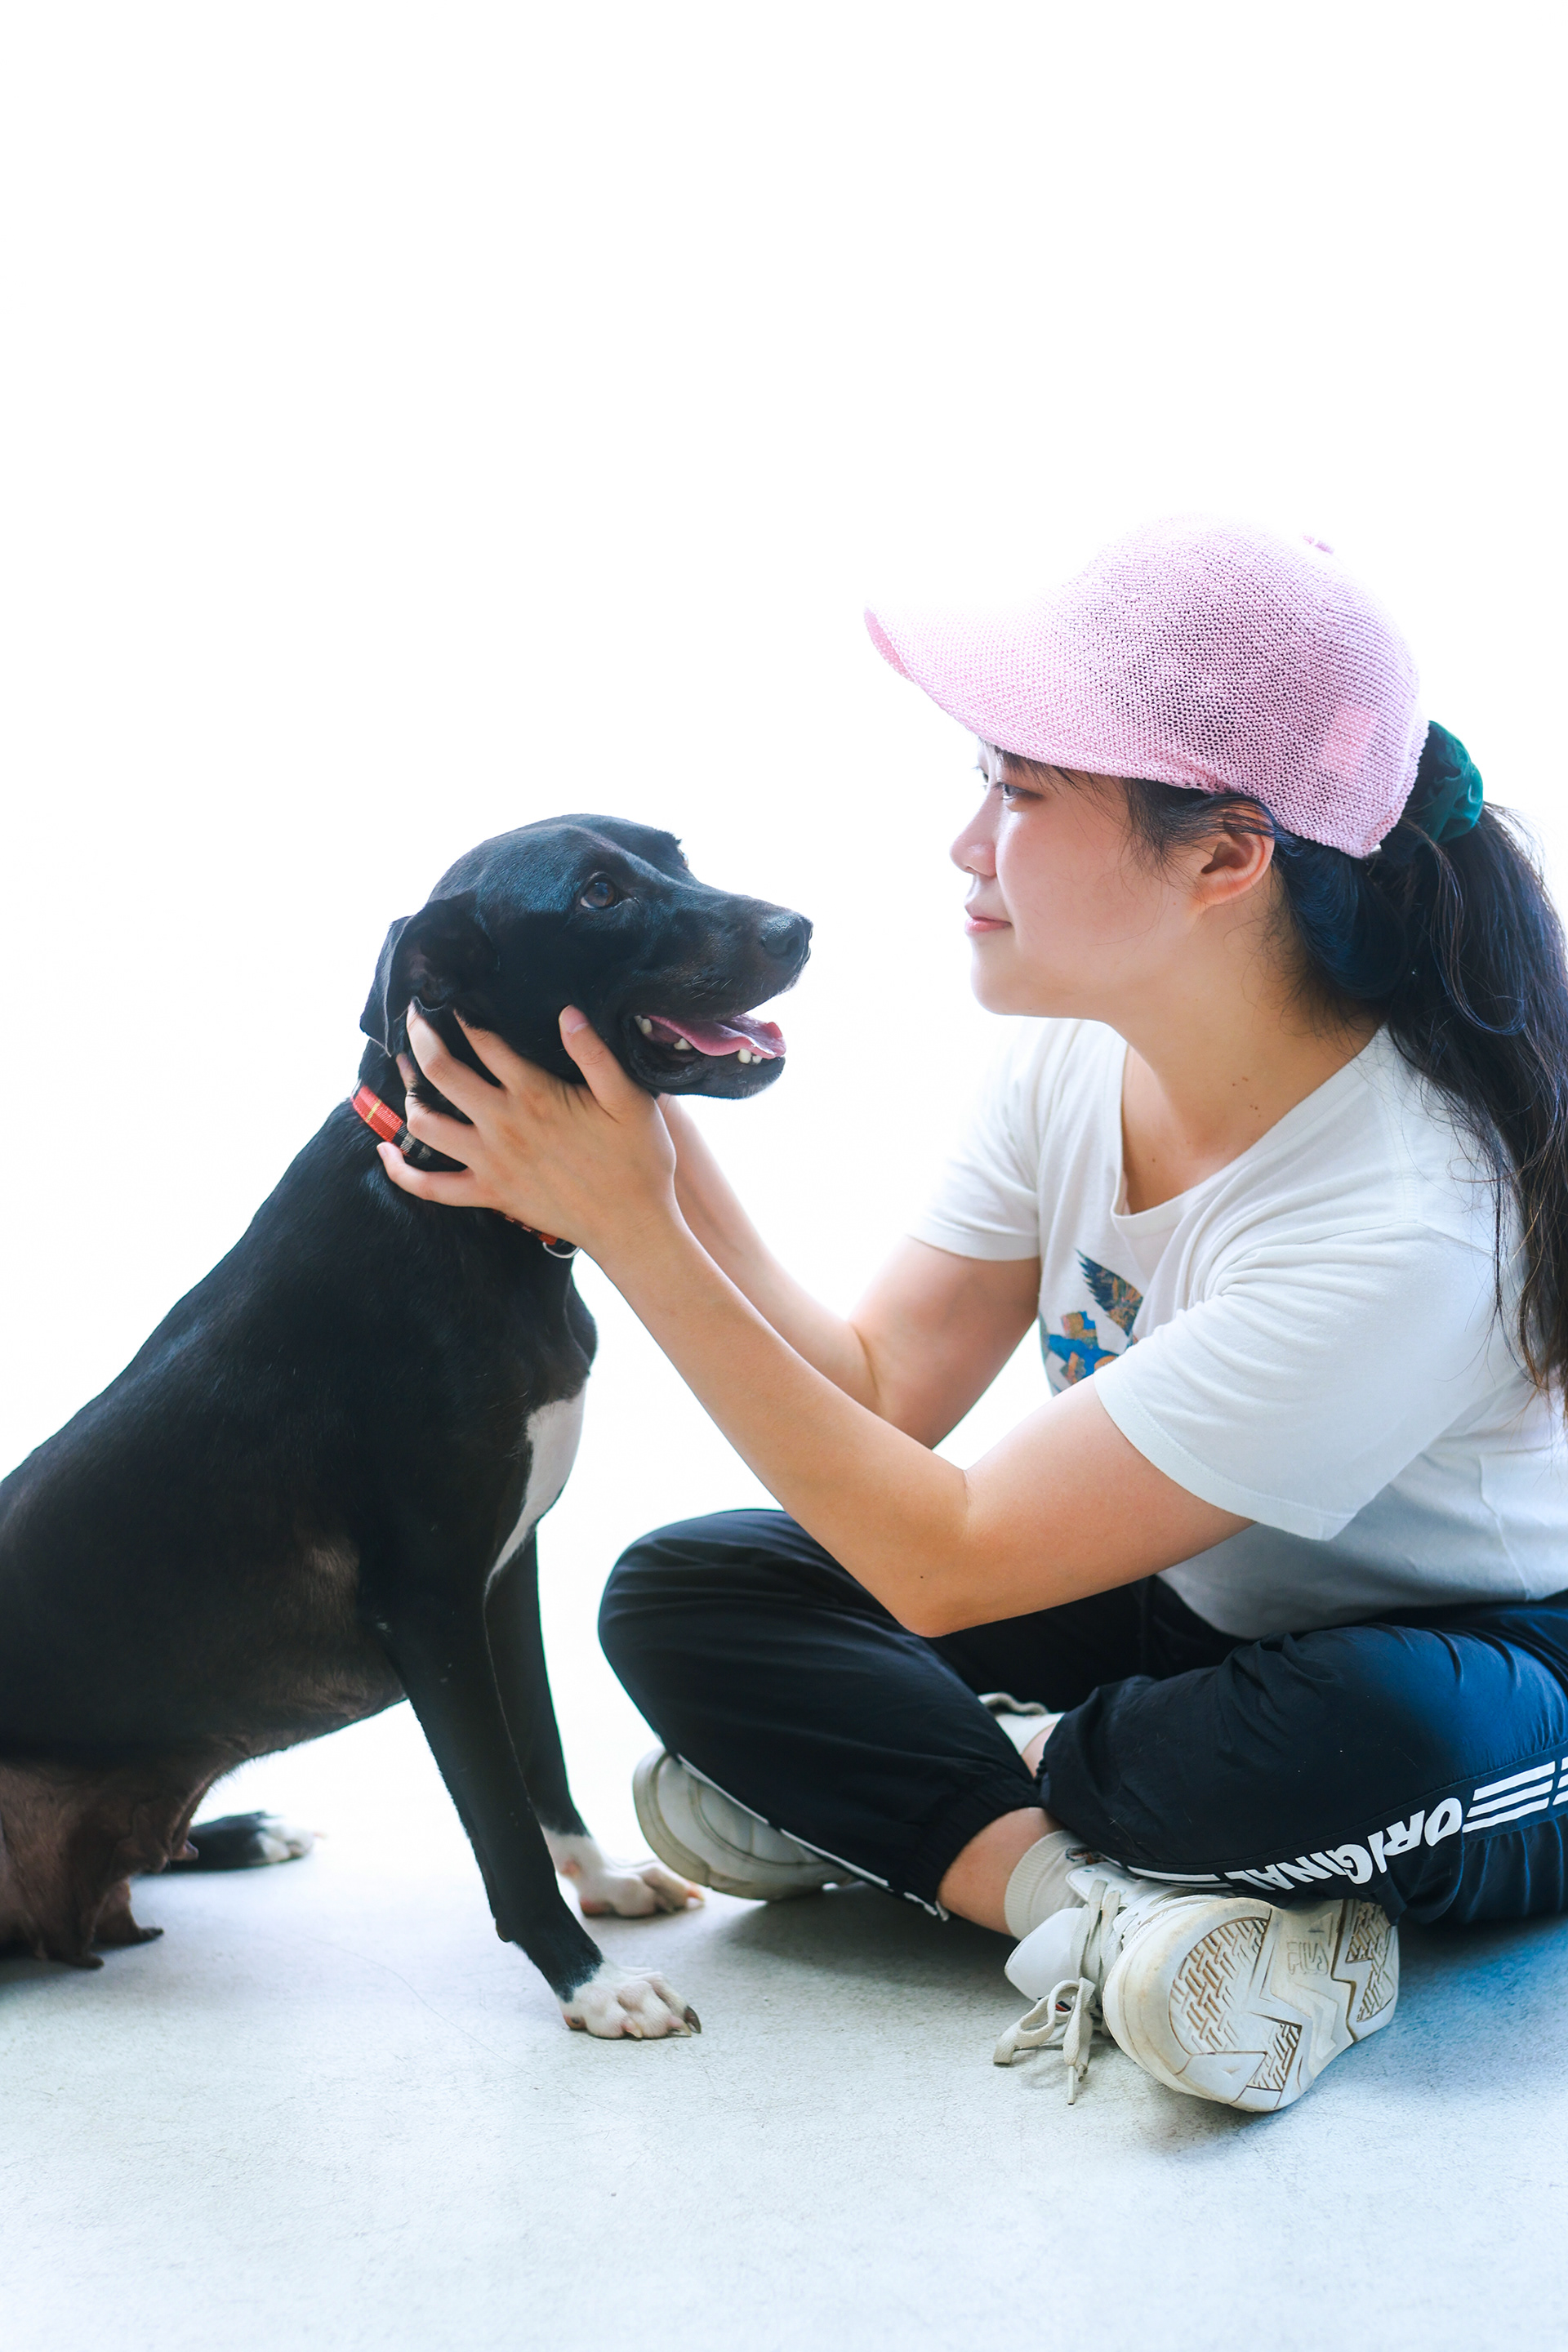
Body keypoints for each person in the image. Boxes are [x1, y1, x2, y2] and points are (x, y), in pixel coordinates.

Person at [380, 516, 1568, 2112]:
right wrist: (645, 1145)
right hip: (1198, 1601)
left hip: (1473, 1668)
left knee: (1368, 1743)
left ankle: (917, 1794)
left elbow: (939, 1552)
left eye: (1018, 791)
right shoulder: (1085, 1053)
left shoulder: (1410, 1220)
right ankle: (1077, 1906)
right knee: (688, 1594)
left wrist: (633, 1234)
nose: (965, 846)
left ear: (1226, 852)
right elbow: (877, 1404)